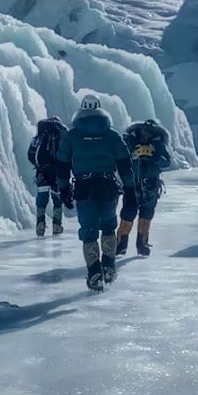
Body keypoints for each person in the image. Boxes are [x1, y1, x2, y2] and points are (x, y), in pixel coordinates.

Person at [56, 95, 134, 291]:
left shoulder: (72, 136)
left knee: (88, 229)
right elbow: (125, 164)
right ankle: (108, 265)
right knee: (108, 226)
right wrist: (130, 189)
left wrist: (64, 188)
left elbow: (62, 164)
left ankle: (94, 272)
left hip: (84, 188)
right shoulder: (112, 136)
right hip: (108, 186)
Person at [117, 119, 171, 256]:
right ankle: (120, 244)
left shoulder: (158, 144)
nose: (145, 135)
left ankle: (142, 244)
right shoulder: (130, 142)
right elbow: (120, 159)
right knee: (128, 213)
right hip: (132, 183)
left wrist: (152, 156)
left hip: (150, 185)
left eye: (148, 133)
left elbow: (167, 162)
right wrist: (134, 155)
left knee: (146, 215)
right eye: (144, 132)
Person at [28, 116, 67, 237]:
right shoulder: (61, 135)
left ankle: (40, 223)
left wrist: (39, 166)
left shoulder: (40, 136)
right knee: (57, 198)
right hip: (57, 172)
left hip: (42, 171)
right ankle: (57, 224)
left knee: (42, 197)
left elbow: (30, 154)